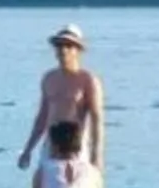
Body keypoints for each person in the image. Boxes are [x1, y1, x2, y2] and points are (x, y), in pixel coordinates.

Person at [18, 23, 105, 170]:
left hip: (76, 145)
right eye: (59, 46)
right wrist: (28, 150)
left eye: (68, 46)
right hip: (51, 145)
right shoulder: (49, 78)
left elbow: (97, 120)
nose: (63, 50)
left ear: (78, 50)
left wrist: (97, 155)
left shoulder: (88, 80)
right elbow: (42, 117)